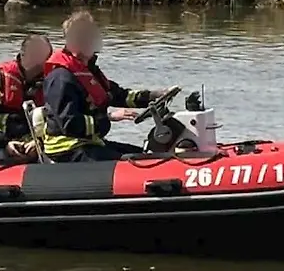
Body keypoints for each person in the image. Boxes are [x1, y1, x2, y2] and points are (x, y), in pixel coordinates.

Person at [41, 11, 180, 162]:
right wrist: (109, 118)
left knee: (145, 155)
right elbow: (70, 124)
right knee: (137, 162)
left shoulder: (88, 70)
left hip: (89, 143)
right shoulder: (61, 77)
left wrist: (153, 96)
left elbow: (120, 95)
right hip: (67, 149)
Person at [0, 33, 54, 161]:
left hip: (33, 145)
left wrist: (39, 142)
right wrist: (4, 144)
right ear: (23, 55)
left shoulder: (51, 83)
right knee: (0, 160)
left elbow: (55, 120)